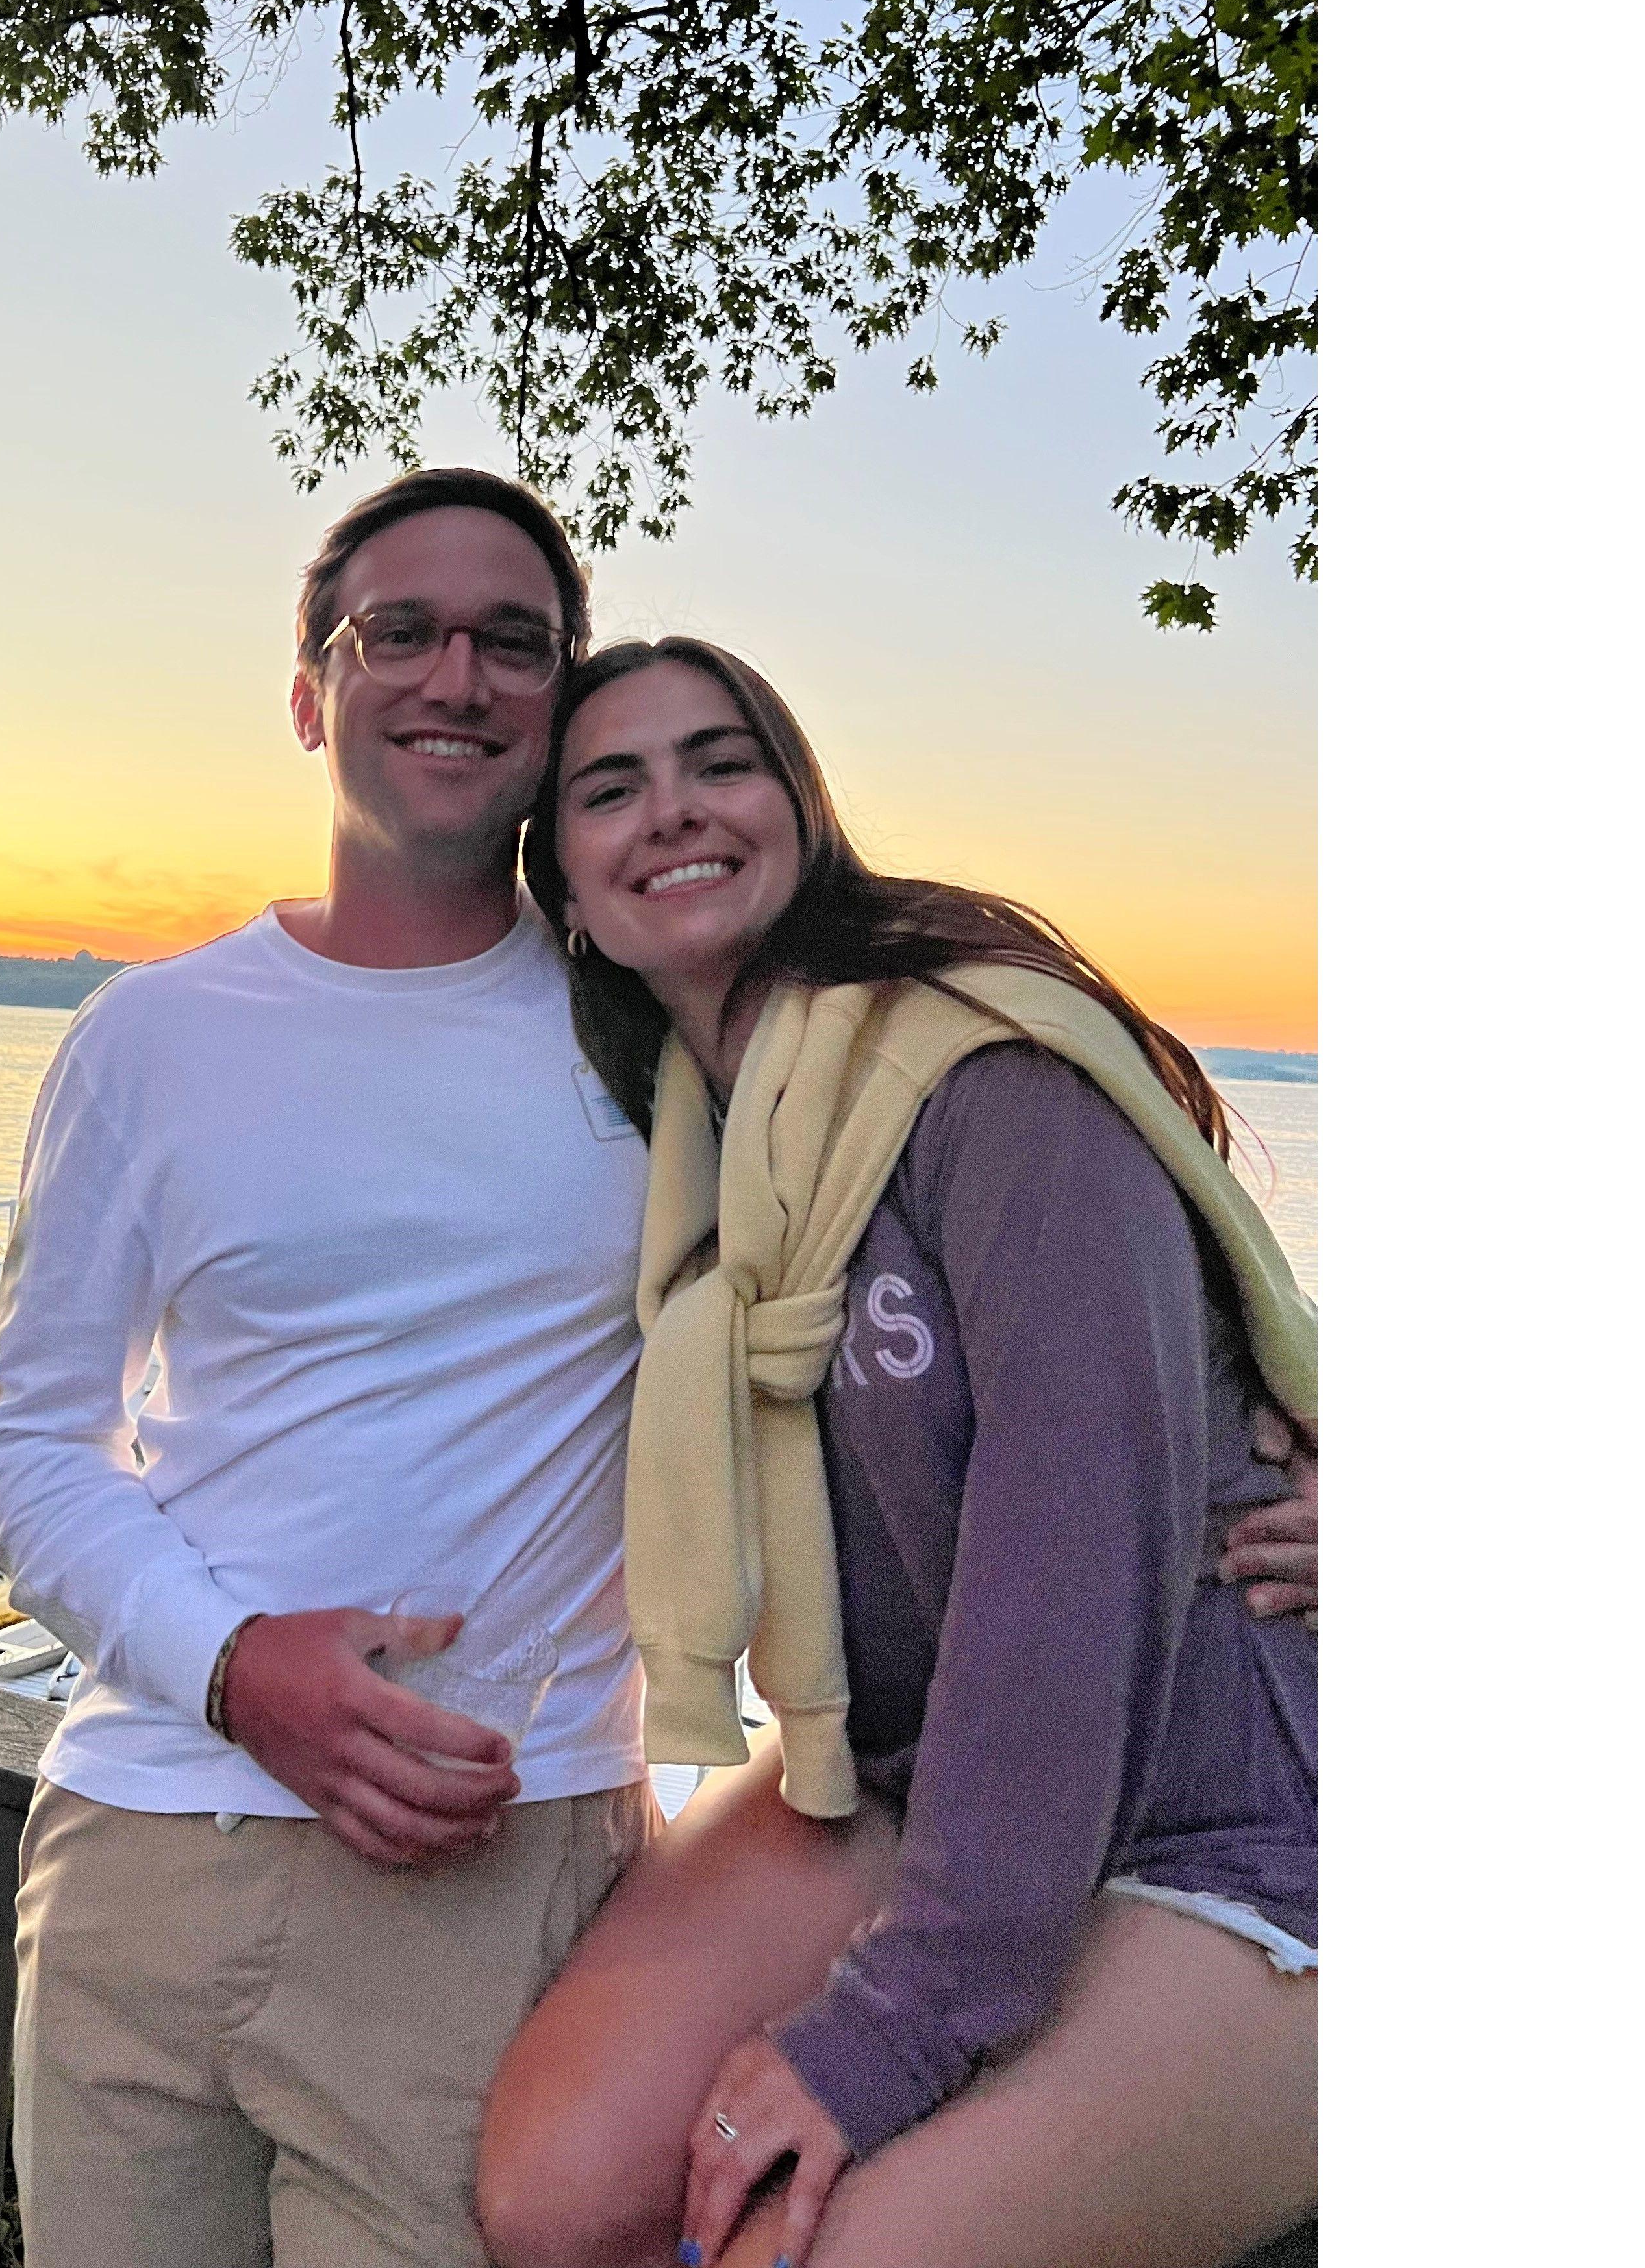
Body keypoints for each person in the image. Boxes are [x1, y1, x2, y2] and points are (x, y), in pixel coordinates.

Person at [0, 473, 1317, 2268]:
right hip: (209, 1825)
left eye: (514, 643)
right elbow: (29, 1438)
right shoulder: (625, 1092)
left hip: (609, 1843)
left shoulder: (867, 1074)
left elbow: (1121, 1424)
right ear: (313, 692)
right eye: (401, 634)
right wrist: (233, 1667)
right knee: (554, 2189)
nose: (458, 676)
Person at [478, 637, 1318, 2268]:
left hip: (1238, 1799)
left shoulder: (988, 1076)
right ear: (565, 889)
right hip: (907, 1761)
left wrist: (895, 2025)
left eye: (721, 762)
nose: (674, 810)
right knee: (553, 2191)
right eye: (611, 787)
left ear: (802, 804)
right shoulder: (690, 1150)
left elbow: (1071, 1568)